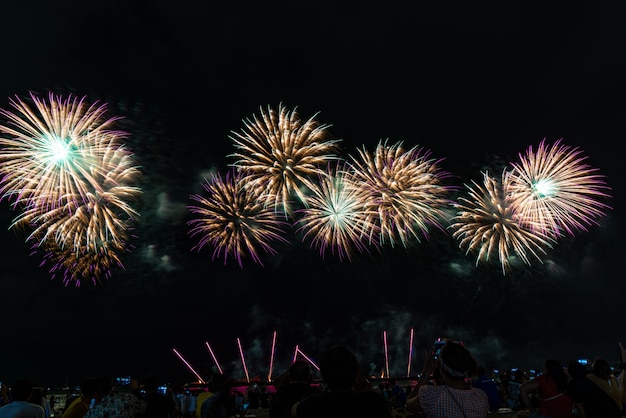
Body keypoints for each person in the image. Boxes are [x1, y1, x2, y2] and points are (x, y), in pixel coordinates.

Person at [291, 344, 392, 418]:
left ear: (323, 376)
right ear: (355, 373)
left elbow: (294, 409)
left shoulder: (312, 406)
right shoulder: (374, 403)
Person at [405, 340, 489, 418]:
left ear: (442, 371)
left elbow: (409, 406)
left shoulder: (431, 394)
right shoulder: (481, 396)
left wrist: (426, 372)